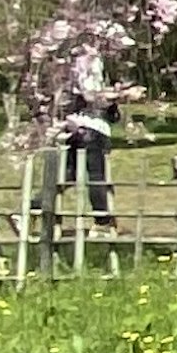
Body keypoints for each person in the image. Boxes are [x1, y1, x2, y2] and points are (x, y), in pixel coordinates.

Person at [53, 56, 116, 226]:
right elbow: (90, 95)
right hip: (91, 128)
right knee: (96, 176)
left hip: (74, 125)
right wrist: (118, 94)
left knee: (69, 175)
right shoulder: (89, 60)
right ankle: (103, 221)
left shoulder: (68, 62)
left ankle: (33, 206)